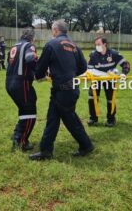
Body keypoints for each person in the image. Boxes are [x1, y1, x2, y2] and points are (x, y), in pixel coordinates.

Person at [29, 19, 94, 161]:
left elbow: (40, 69)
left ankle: (86, 145)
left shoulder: (51, 44)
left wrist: (39, 75)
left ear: (55, 30)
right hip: (69, 89)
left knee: (70, 120)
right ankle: (46, 150)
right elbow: (83, 68)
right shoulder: (75, 46)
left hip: (63, 91)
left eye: (52, 30)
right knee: (52, 119)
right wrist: (68, 73)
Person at [6, 28, 38, 151]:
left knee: (25, 108)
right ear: (32, 37)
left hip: (9, 82)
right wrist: (38, 71)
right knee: (30, 113)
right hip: (21, 83)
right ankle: (21, 142)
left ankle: (17, 134)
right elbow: (30, 59)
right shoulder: (29, 45)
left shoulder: (15, 46)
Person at [87, 36, 130, 127]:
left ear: (104, 44)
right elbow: (89, 68)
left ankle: (111, 119)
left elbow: (125, 64)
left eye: (98, 44)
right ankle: (93, 118)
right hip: (96, 79)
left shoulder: (113, 53)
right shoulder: (93, 55)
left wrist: (124, 73)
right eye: (96, 45)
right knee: (92, 97)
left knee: (111, 99)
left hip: (109, 79)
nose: (97, 46)